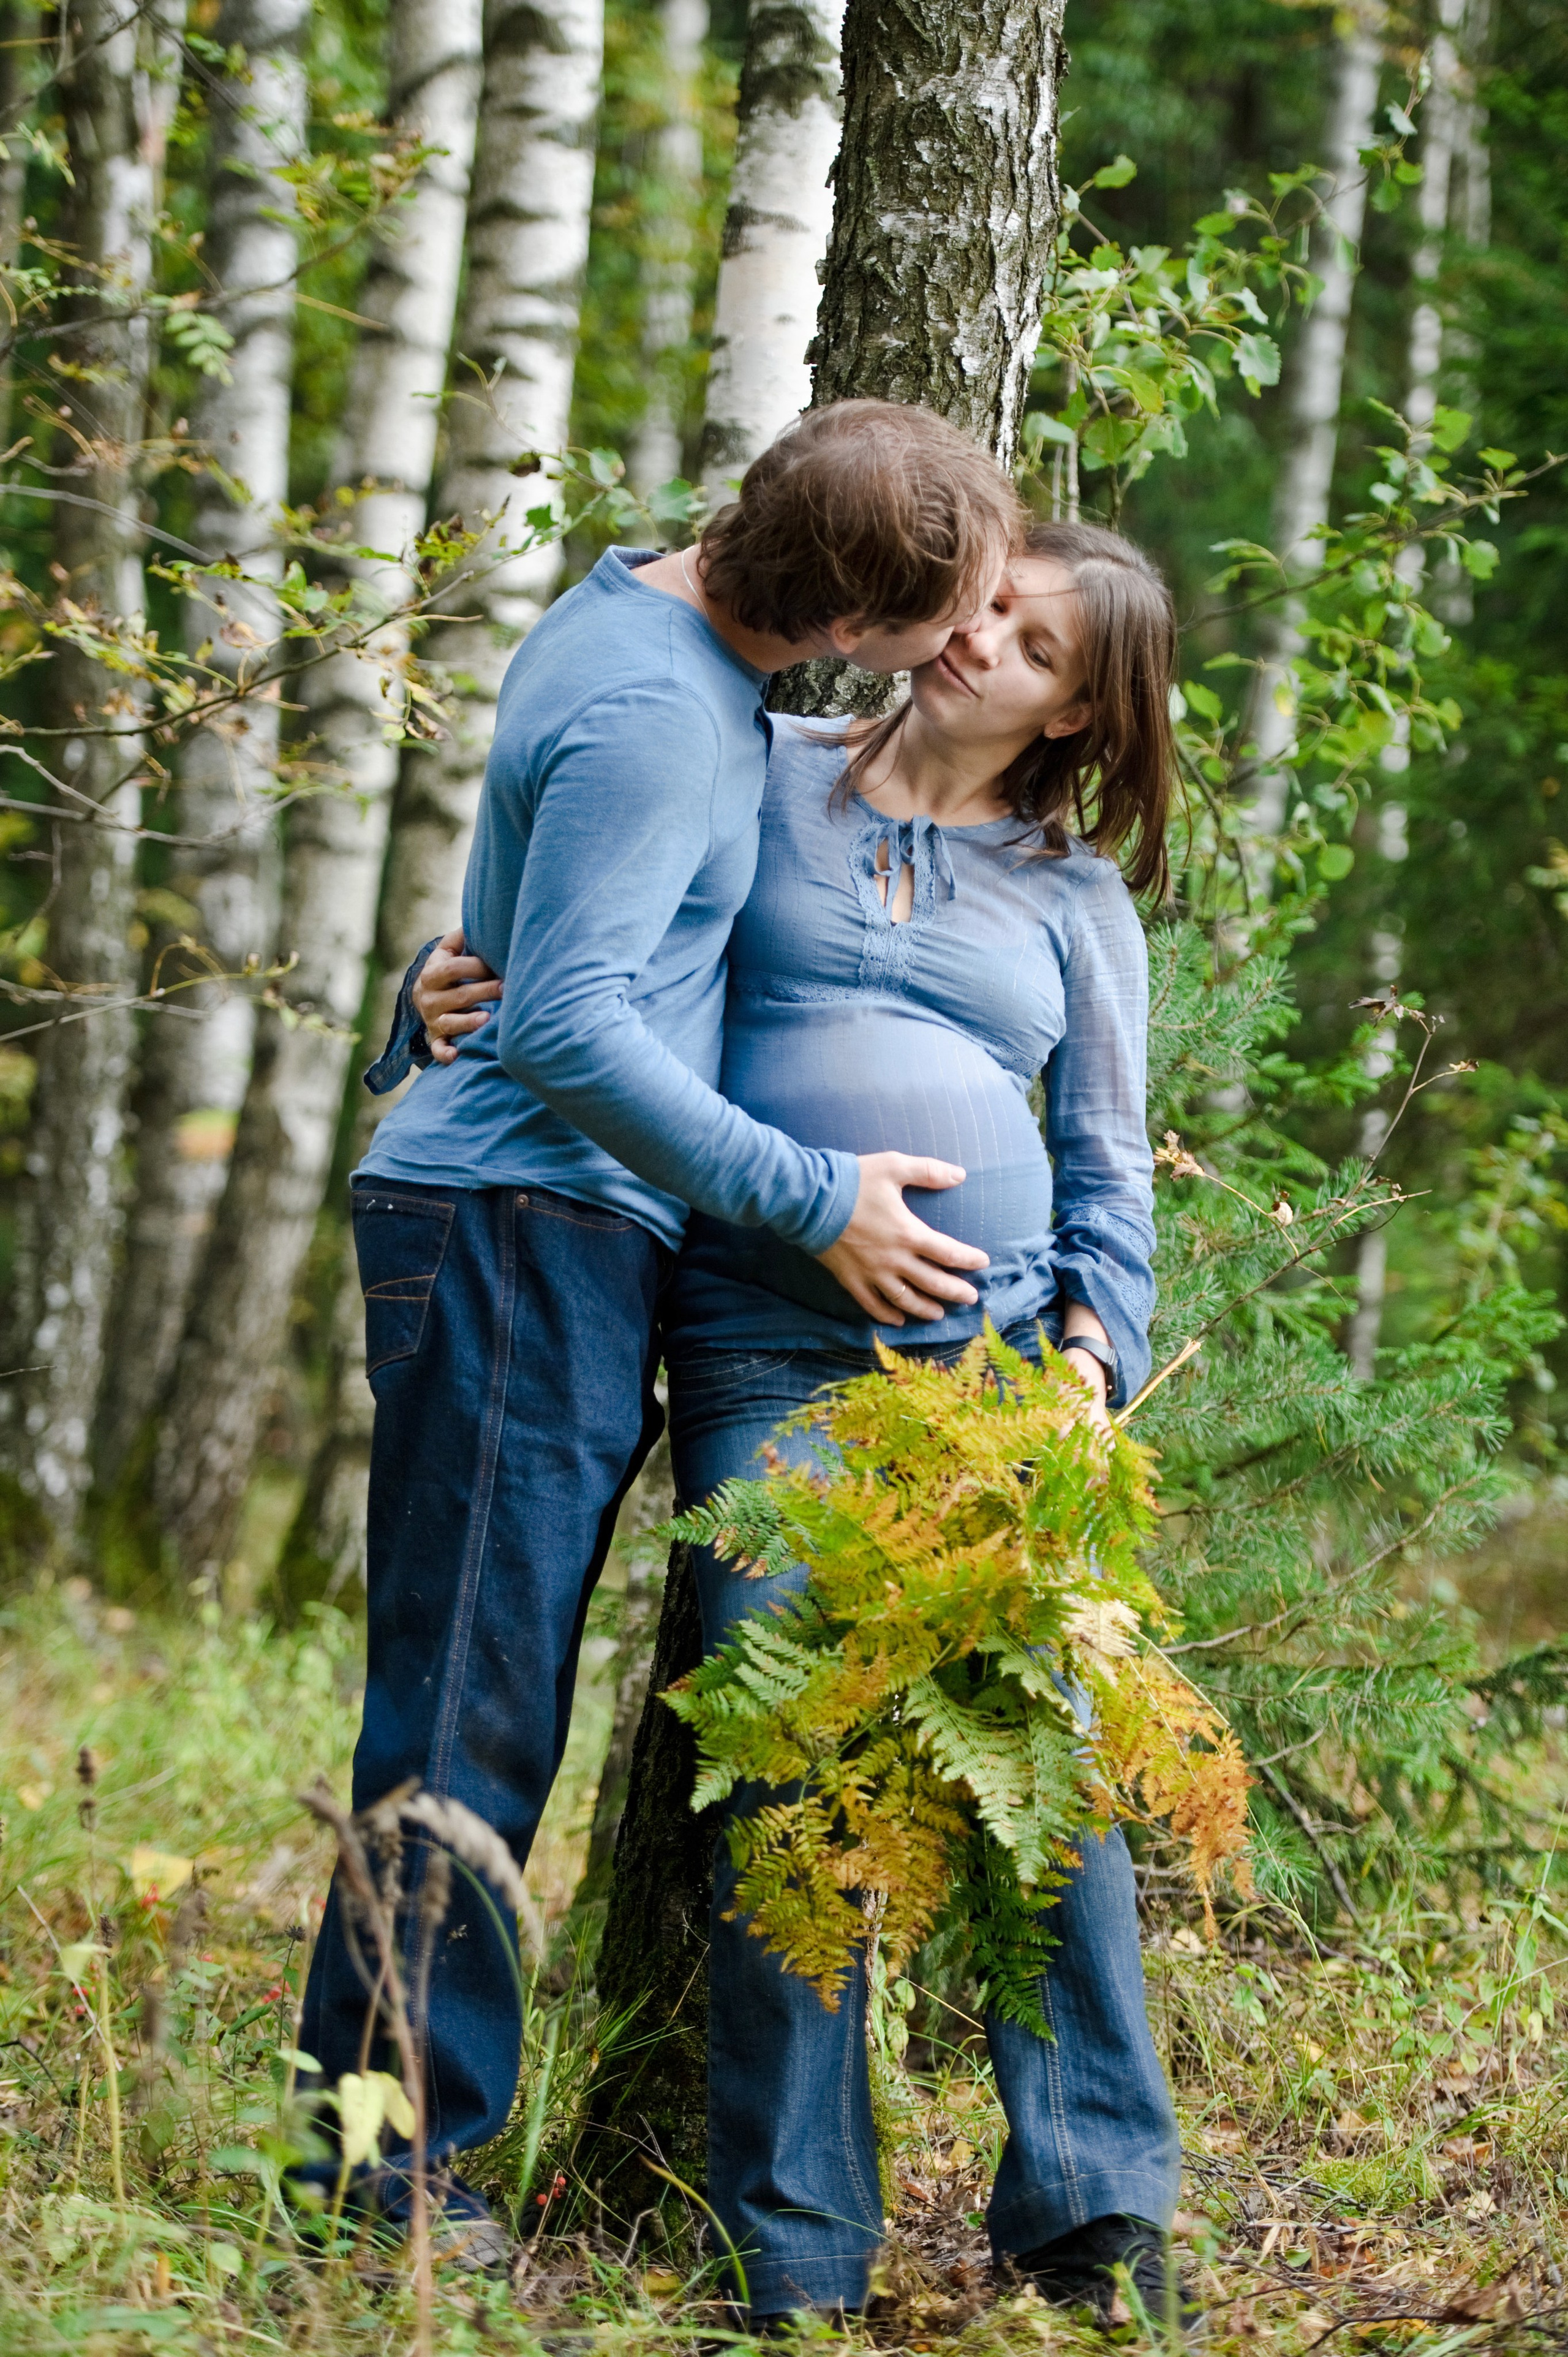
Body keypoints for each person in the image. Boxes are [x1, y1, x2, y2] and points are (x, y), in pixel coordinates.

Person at [412, 521, 1197, 2331]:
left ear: (1081, 711)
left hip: (1001, 1382)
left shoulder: (1078, 901)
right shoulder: (752, 765)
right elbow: (567, 930)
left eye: (1031, 637)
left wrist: (1093, 1359)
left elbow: (1105, 1172)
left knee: (1045, 1775)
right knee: (792, 1778)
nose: (976, 635)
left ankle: (1091, 2213)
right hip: (770, 1355)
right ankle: (795, 2252)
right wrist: (434, 991)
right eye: (985, 598)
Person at [296, 400, 1021, 2268]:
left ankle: (386, 2157)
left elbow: (537, 947)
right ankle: (375, 2185)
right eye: (928, 626)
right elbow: (564, 1023)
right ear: (843, 621)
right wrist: (811, 1196)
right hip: (519, 1233)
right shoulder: (652, 705)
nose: (945, 660)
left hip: (535, 1224)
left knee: (482, 1692)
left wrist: (436, 988)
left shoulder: (653, 622)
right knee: (467, 1706)